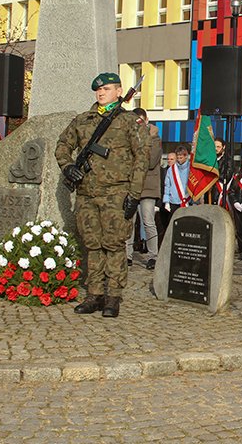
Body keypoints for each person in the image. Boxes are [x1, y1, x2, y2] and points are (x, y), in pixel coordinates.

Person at [55, 73, 149, 318]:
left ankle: (113, 297)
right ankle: (94, 294)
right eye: (98, 90)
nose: (101, 93)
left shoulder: (129, 121)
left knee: (114, 245)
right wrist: (68, 167)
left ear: (119, 92)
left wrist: (134, 195)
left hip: (116, 194)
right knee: (93, 245)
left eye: (107, 89)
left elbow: (142, 158)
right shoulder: (83, 120)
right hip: (87, 194)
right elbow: (63, 145)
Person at [126, 108, 162, 271]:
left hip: (147, 185)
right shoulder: (128, 136)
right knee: (129, 221)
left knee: (148, 220)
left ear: (146, 121)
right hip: (131, 184)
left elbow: (152, 161)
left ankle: (153, 256)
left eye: (141, 121)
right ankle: (127, 256)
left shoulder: (155, 138)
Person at [163, 146, 190, 217]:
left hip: (188, 201)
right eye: (177, 158)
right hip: (174, 201)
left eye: (181, 158)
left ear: (186, 156)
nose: (179, 160)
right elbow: (167, 186)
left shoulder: (191, 169)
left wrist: (195, 201)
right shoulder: (171, 169)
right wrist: (166, 201)